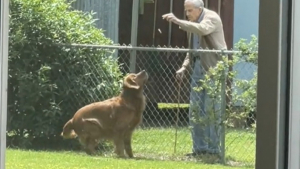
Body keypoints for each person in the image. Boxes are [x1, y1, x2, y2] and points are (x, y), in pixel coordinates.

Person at [162, 0, 227, 157]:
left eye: (190, 10)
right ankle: (199, 149)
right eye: (185, 10)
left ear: (200, 9)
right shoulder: (191, 23)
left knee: (211, 109)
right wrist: (184, 67)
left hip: (213, 68)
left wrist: (178, 21)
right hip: (197, 67)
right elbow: (192, 49)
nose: (187, 14)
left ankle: (213, 150)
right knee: (195, 110)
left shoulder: (211, 17)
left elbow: (203, 30)